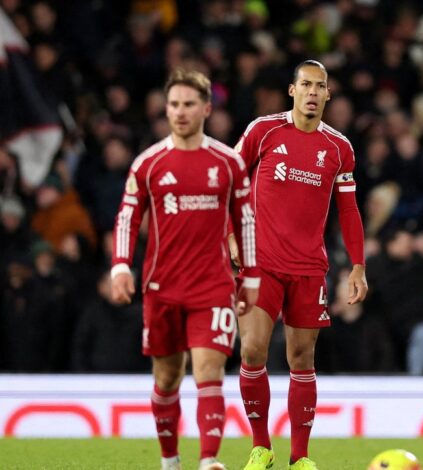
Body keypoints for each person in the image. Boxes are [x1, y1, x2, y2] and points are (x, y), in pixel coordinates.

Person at [110, 69, 259, 470]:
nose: (179, 111)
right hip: (162, 287)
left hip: (213, 286)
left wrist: (252, 275)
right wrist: (121, 266)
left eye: (189, 104)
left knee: (210, 372)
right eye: (174, 104)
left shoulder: (227, 163)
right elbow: (127, 217)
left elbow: (245, 220)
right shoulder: (148, 163)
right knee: (166, 379)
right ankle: (170, 460)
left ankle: (209, 460)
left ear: (206, 109)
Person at [233, 60, 368, 470]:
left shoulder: (339, 148)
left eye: (319, 86)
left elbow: (349, 210)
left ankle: (300, 456)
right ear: (292, 90)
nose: (312, 92)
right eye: (305, 84)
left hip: (309, 268)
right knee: (252, 349)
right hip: (260, 262)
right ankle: (261, 447)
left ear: (328, 94)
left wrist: (358, 266)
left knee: (302, 358)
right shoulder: (263, 131)